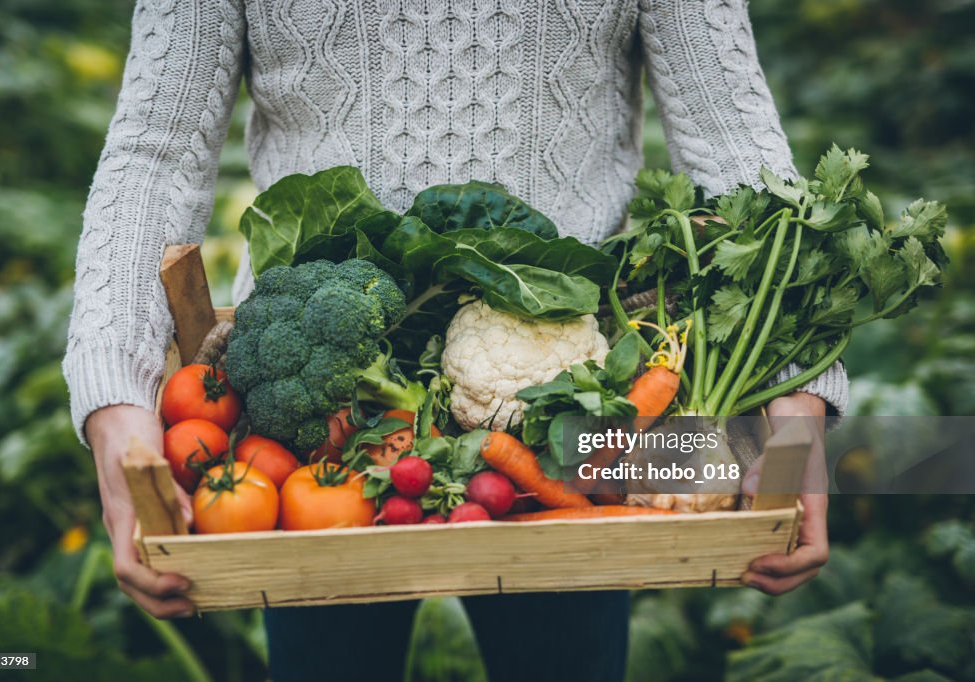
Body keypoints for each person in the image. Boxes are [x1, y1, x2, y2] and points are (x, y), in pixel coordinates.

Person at [65, 1, 846, 680]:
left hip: (578, 418)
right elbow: (154, 153)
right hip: (317, 422)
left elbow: (732, 137)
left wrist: (796, 391)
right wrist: (115, 395)